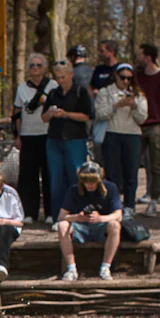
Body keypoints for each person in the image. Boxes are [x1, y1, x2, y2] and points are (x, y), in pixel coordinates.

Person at [43, 60, 94, 225]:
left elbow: (87, 116)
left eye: (63, 77)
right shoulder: (52, 93)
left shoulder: (80, 92)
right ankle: (58, 217)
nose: (61, 81)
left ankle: (78, 215)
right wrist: (50, 113)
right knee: (56, 179)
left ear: (71, 75)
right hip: (54, 139)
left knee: (75, 177)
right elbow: (43, 118)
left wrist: (66, 114)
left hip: (75, 140)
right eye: (58, 77)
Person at [95, 64, 148, 218]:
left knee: (131, 172)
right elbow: (100, 114)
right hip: (112, 134)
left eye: (129, 78)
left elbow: (142, 118)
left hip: (132, 135)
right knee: (113, 173)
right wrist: (117, 105)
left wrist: (134, 106)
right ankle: (114, 204)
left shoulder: (138, 95)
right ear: (116, 76)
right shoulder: (105, 92)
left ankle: (129, 206)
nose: (125, 81)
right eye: (122, 77)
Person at [57, 161, 122, 281]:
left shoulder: (110, 188)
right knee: (62, 226)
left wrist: (100, 218)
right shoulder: (73, 190)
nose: (90, 185)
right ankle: (71, 269)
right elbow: (61, 216)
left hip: (101, 226)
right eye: (86, 181)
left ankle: (105, 267)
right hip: (80, 227)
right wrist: (77, 217)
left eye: (93, 181)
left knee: (115, 225)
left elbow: (118, 215)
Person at [134, 44, 160, 216]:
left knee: (155, 165)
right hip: (138, 125)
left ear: (148, 57)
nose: (138, 58)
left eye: (140, 55)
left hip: (158, 125)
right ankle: (129, 201)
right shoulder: (137, 77)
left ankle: (154, 199)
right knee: (132, 163)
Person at [14, 53, 55, 223]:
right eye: (32, 65)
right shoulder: (22, 88)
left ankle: (51, 212)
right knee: (27, 175)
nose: (35, 68)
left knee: (49, 174)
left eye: (39, 65)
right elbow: (17, 113)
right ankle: (29, 212)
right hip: (27, 134)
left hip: (47, 134)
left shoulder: (52, 86)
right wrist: (18, 135)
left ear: (44, 68)